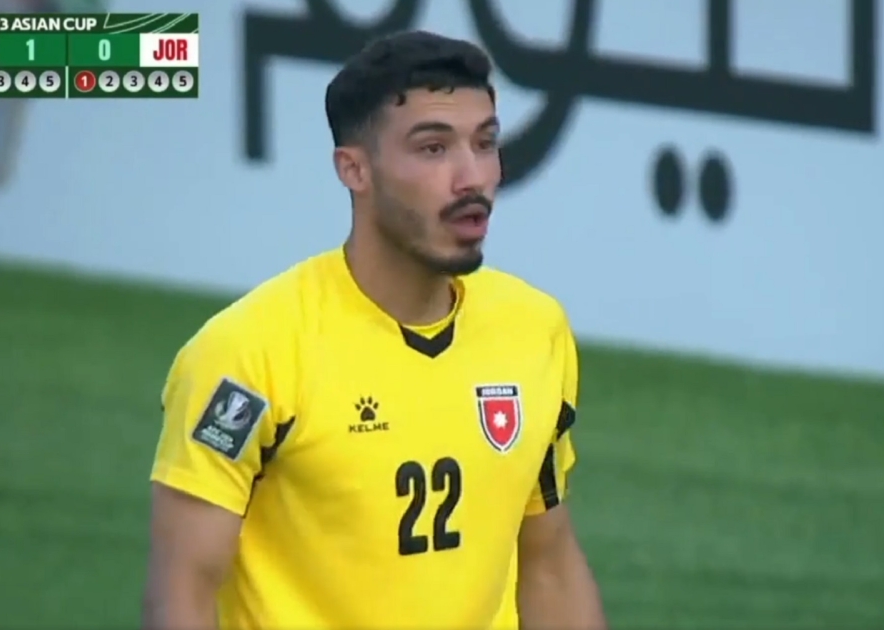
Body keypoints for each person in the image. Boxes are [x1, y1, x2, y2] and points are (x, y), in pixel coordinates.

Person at [142, 29, 608, 630]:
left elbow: (548, 561)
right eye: (433, 149)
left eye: (485, 143)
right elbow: (182, 591)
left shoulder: (534, 329)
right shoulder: (250, 353)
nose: (471, 177)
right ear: (355, 169)